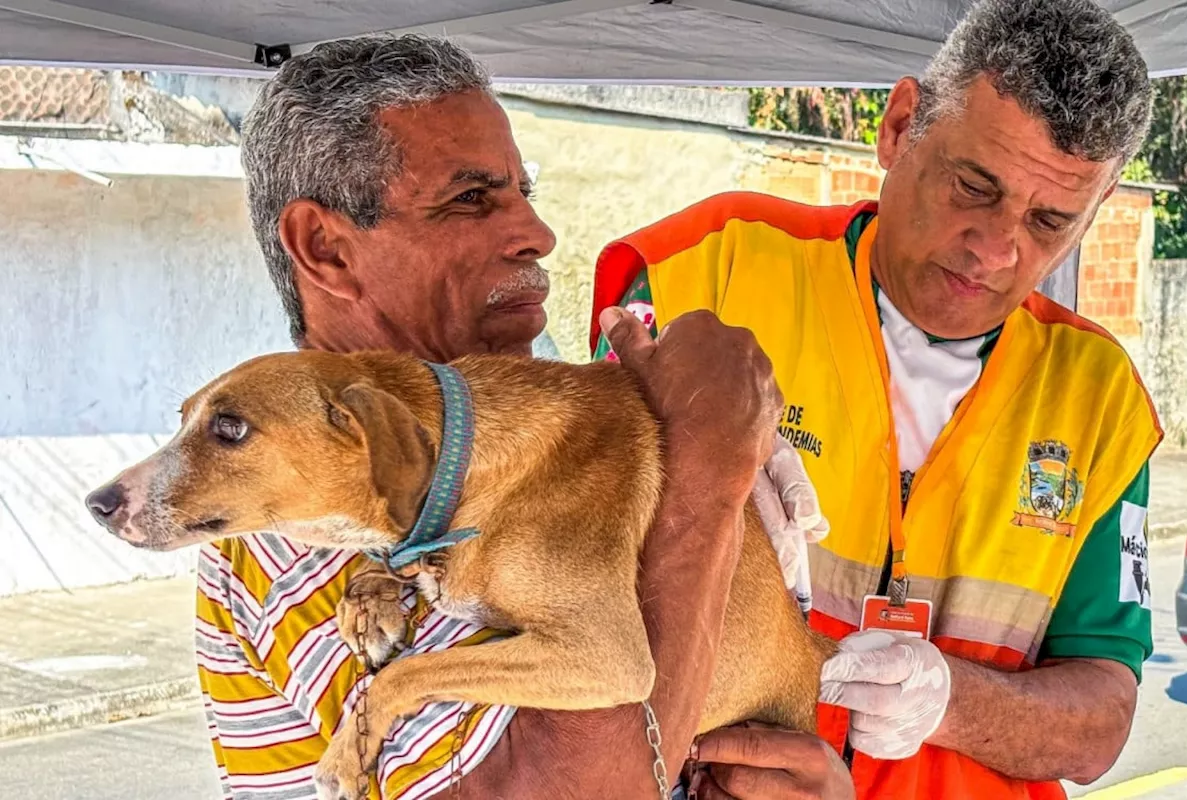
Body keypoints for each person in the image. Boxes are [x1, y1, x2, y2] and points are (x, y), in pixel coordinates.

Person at [194, 35, 850, 800]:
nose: (537, 234)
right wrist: (706, 466)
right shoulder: (298, 513)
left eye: (523, 192)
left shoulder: (522, 434)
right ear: (327, 250)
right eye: (472, 198)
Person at [592, 1, 1162, 798]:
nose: (996, 249)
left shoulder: (1099, 396)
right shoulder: (707, 272)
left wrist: (948, 699)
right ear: (899, 127)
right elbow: (573, 569)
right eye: (974, 186)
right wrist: (697, 484)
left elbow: (1102, 720)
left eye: (1049, 221)